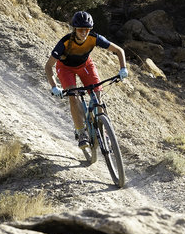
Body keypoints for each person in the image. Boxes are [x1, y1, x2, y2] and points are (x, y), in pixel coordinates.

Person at [45, 11, 128, 148]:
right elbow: (48, 66)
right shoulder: (64, 42)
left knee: (97, 95)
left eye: (87, 29)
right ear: (75, 29)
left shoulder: (94, 38)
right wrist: (54, 86)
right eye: (80, 29)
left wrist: (123, 68)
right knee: (74, 96)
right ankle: (81, 131)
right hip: (65, 69)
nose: (84, 33)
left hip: (85, 65)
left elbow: (119, 50)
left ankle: (104, 132)